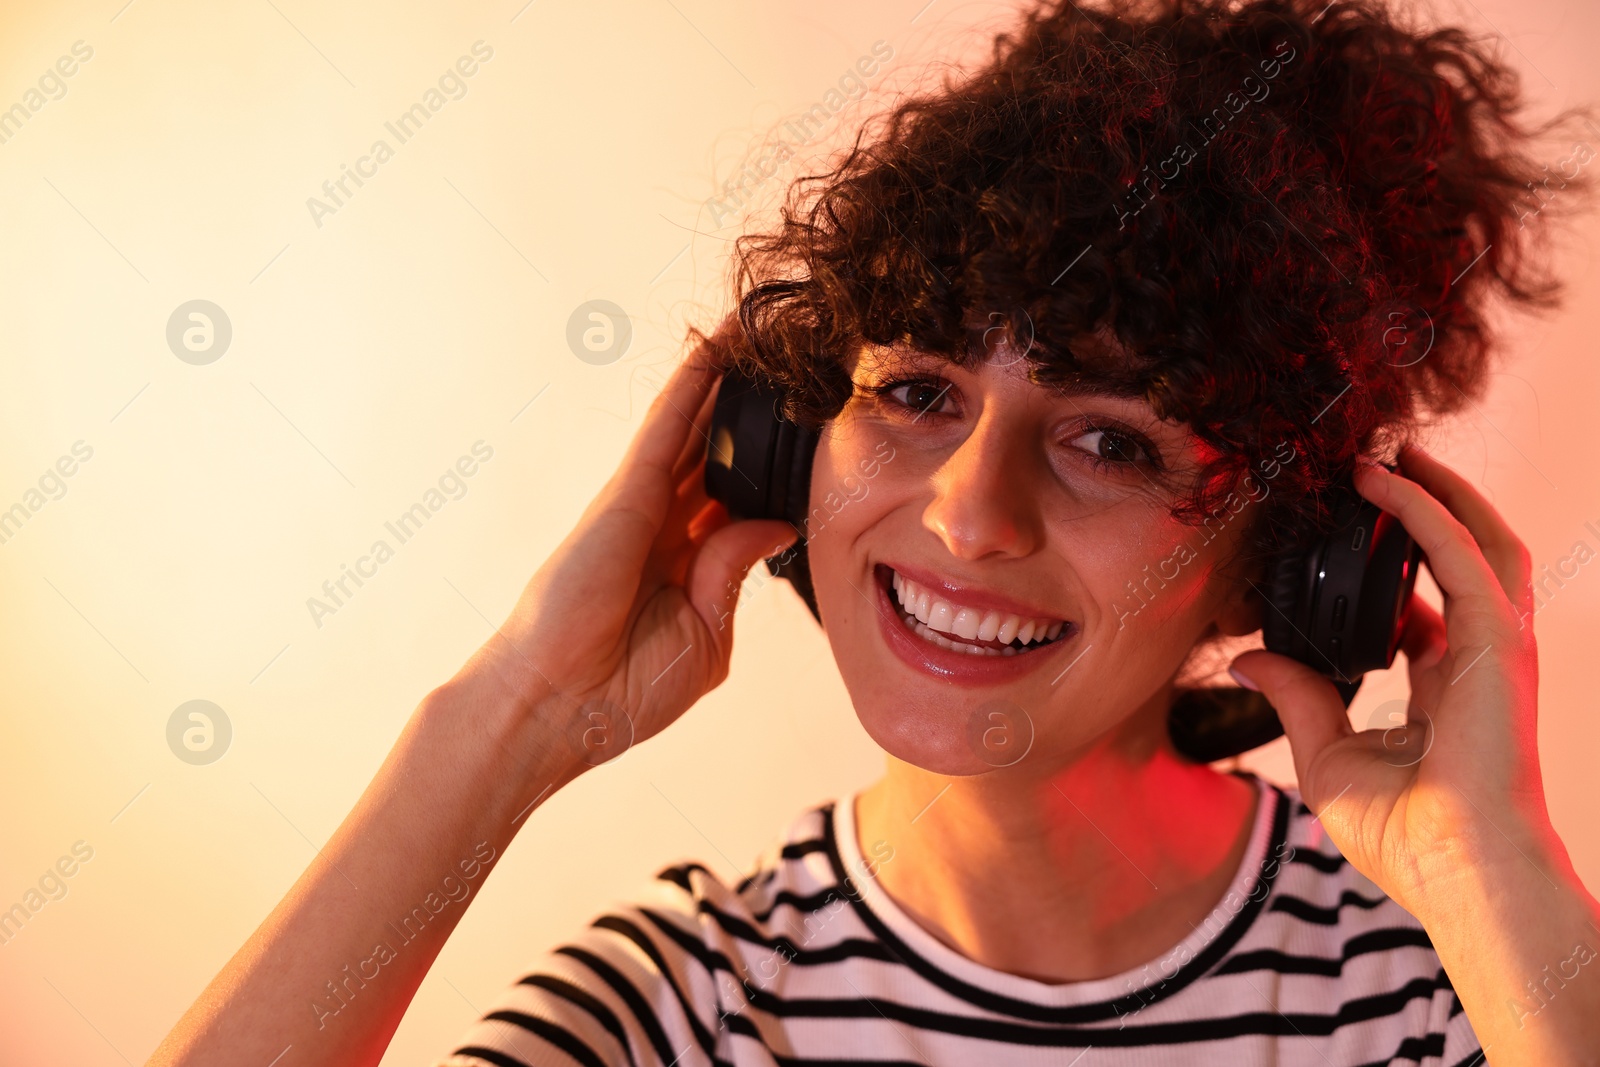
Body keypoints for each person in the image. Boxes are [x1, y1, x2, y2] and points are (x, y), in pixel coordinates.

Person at [149, 0, 1600, 1063]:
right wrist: (519, 713)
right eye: (914, 388)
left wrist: (1494, 889)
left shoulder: (1451, 996)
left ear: (1289, 569)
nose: (968, 514)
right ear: (784, 440)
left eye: (1111, 438)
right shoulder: (690, 1003)